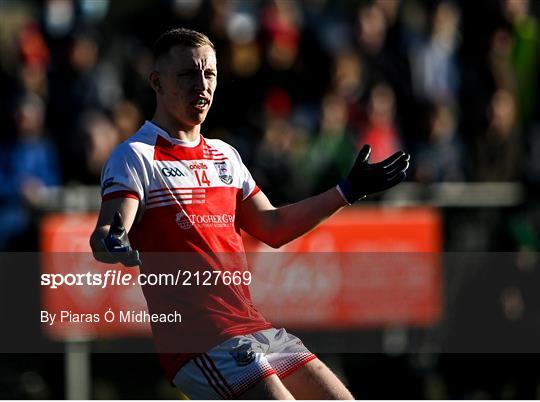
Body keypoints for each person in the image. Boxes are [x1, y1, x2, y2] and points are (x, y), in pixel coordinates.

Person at [90, 27, 409, 400]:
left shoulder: (225, 155)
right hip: (200, 339)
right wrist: (112, 239)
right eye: (188, 75)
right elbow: (111, 227)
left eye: (209, 74)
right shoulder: (136, 155)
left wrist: (346, 191)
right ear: (157, 82)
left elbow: (271, 226)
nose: (202, 85)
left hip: (252, 326)